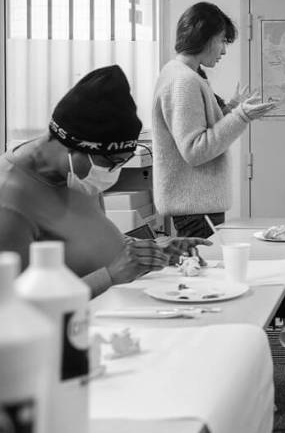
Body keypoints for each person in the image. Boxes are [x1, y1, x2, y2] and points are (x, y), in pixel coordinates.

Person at [0, 65, 209, 298]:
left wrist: (154, 248)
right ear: (75, 147)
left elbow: (93, 237)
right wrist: (109, 276)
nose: (113, 172)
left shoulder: (77, 176)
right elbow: (9, 306)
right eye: (111, 162)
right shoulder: (10, 198)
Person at [152, 2, 274, 238]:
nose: (223, 51)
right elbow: (195, 150)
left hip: (198, 209)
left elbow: (202, 132)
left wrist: (229, 110)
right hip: (196, 211)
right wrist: (241, 116)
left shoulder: (186, 74)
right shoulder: (183, 81)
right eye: (221, 41)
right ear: (204, 38)